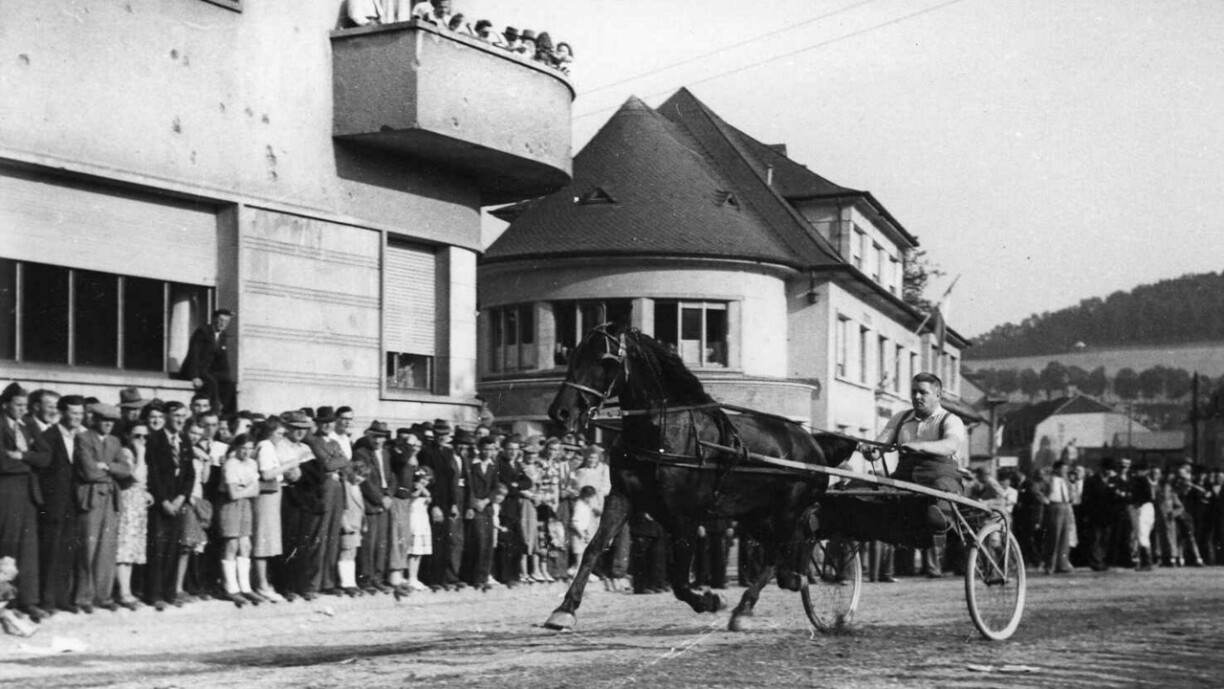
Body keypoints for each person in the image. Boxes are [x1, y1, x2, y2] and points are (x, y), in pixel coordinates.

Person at [0, 383, 52, 620]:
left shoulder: (29, 424)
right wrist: (27, 463)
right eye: (17, 405)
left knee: (29, 547)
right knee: (8, 544)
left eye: (24, 405)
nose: (22, 409)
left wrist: (22, 456)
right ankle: (6, 600)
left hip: (29, 493)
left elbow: (46, 457)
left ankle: (28, 600)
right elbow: (2, 463)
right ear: (5, 405)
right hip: (7, 492)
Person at [73, 403, 131, 613]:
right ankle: (83, 597)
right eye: (104, 420)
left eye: (111, 421)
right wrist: (111, 471)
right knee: (88, 547)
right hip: (91, 498)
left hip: (110, 498)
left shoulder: (115, 441)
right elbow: (88, 472)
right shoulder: (84, 438)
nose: (108, 425)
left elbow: (126, 469)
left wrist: (106, 466)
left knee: (107, 548)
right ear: (95, 420)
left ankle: (103, 595)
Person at [145, 399, 196, 611]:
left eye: (183, 417)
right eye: (176, 417)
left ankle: (170, 591)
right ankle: (154, 593)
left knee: (174, 548)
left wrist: (181, 497)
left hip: (177, 502)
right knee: (158, 548)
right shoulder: (155, 439)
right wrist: (164, 500)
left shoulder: (183, 439)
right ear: (167, 417)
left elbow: (189, 473)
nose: (180, 421)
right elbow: (153, 472)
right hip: (160, 503)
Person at [37, 395, 86, 614]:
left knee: (67, 549)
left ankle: (63, 598)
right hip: (53, 503)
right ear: (63, 413)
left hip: (73, 502)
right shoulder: (48, 436)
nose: (77, 417)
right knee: (50, 549)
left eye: (81, 413)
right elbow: (41, 472)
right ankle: (47, 599)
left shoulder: (80, 437)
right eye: (73, 413)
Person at [302, 406, 351, 596]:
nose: (328, 425)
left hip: (337, 489)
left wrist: (338, 462)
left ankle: (328, 582)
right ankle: (313, 583)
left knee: (333, 536)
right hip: (323, 489)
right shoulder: (312, 441)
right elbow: (329, 463)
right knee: (319, 535)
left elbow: (346, 464)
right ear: (317, 423)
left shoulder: (334, 442)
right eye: (324, 422)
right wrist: (338, 461)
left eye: (330, 422)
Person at [217, 435, 261, 607]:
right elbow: (232, 494)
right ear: (237, 447)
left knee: (245, 544)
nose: (246, 451)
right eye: (243, 448)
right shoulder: (231, 464)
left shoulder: (252, 464)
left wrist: (243, 490)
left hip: (244, 505)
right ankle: (231, 587)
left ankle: (245, 587)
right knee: (232, 544)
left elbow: (256, 489)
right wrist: (246, 489)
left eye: (250, 448)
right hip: (229, 505)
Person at [353, 421, 395, 594]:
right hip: (371, 502)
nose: (378, 441)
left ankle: (378, 578)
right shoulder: (361, 454)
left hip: (385, 501)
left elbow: (392, 477)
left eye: (381, 437)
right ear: (368, 435)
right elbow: (366, 482)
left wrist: (390, 495)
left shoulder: (386, 453)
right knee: (369, 543)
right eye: (375, 436)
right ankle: (366, 579)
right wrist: (379, 499)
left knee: (381, 543)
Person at [115, 421, 152, 610]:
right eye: (138, 436)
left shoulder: (138, 453)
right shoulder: (126, 452)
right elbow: (136, 476)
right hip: (128, 500)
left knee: (133, 547)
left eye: (145, 436)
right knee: (125, 546)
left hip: (138, 500)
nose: (142, 440)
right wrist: (142, 453)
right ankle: (123, 592)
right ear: (128, 436)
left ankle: (127, 590)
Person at [180, 309, 236, 415]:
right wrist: (194, 376)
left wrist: (226, 376)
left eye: (226, 322)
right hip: (196, 369)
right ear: (213, 319)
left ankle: (227, 414)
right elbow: (194, 354)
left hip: (208, 370)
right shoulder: (203, 332)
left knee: (229, 384)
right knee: (212, 382)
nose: (223, 324)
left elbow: (223, 360)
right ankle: (214, 411)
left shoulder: (222, 336)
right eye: (221, 320)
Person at [466, 436, 500, 589]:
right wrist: (474, 503)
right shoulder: (472, 464)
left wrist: (487, 501)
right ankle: (475, 577)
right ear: (479, 449)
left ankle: (484, 576)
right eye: (485, 449)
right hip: (475, 507)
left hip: (486, 507)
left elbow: (495, 488)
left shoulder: (493, 466)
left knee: (487, 542)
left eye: (491, 449)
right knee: (478, 541)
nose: (488, 452)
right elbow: (469, 486)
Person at [338, 463, 368, 597]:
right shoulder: (345, 485)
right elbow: (342, 507)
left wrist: (364, 523)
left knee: (352, 553)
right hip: (348, 525)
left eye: (363, 477)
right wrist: (345, 524)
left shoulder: (357, 487)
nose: (360, 478)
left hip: (357, 526)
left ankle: (351, 582)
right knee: (346, 552)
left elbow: (361, 508)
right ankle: (346, 583)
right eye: (358, 475)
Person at [1041, 460, 1076, 574]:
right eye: (1063, 469)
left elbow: (1070, 493)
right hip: (1054, 506)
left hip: (1065, 506)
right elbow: (1040, 490)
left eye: (1066, 469)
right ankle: (1050, 564)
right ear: (1056, 469)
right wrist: (1045, 499)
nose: (1065, 471)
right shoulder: (1048, 479)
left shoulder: (1066, 481)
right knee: (1053, 536)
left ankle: (1063, 564)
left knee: (1065, 537)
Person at [403, 465, 433, 592]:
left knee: (419, 552)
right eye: (422, 479)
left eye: (427, 480)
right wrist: (419, 489)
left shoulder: (425, 490)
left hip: (422, 520)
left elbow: (429, 497)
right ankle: (409, 577)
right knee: (413, 551)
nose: (424, 482)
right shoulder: (413, 488)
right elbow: (412, 498)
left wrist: (423, 489)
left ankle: (414, 577)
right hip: (413, 520)